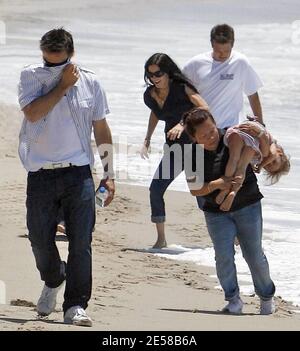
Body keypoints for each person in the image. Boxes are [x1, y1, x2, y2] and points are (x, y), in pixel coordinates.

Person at [18, 28, 115, 327]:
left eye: (59, 63)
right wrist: (61, 85)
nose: (52, 67)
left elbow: (100, 128)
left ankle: (75, 306)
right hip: (41, 174)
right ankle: (53, 278)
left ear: (71, 55)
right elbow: (33, 114)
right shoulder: (30, 76)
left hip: (78, 173)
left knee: (81, 241)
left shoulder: (91, 81)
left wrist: (109, 173)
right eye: (48, 62)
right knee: (39, 239)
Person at [183, 107, 276, 315]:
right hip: (215, 213)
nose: (211, 136)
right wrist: (219, 184)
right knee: (223, 256)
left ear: (216, 123)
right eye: (204, 135)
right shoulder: (191, 154)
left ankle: (266, 296)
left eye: (212, 130)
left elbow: (265, 146)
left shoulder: (233, 136)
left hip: (248, 204)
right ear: (194, 138)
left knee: (254, 255)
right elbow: (194, 189)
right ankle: (233, 299)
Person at [141, 53, 208, 248]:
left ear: (168, 72)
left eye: (158, 73)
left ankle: (230, 235)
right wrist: (147, 138)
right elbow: (155, 113)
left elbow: (204, 107)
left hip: (194, 149)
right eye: (150, 74)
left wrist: (182, 123)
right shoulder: (150, 94)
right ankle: (161, 240)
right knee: (155, 190)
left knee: (201, 196)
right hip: (173, 151)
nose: (154, 78)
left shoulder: (181, 88)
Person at [183, 23, 264, 128]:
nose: (222, 55)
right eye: (218, 51)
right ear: (212, 44)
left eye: (227, 51)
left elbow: (253, 95)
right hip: (203, 128)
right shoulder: (195, 64)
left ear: (232, 44)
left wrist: (261, 125)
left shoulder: (240, 62)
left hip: (232, 127)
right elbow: (180, 92)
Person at [216, 118, 290, 211]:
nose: (269, 162)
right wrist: (261, 166)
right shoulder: (272, 144)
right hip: (253, 140)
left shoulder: (257, 158)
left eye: (268, 166)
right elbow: (272, 155)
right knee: (241, 167)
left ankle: (225, 189)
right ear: (280, 152)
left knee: (233, 159)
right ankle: (233, 192)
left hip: (237, 132)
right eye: (274, 162)